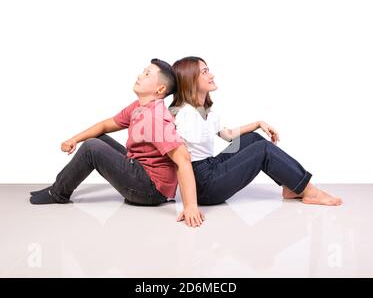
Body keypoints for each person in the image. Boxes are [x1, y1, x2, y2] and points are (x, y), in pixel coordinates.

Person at [30, 58, 205, 228]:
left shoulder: (155, 117)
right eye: (143, 71)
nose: (140, 75)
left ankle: (57, 193)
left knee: (92, 147)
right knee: (98, 138)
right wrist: (74, 139)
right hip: (141, 170)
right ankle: (58, 186)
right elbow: (106, 125)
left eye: (147, 74)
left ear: (160, 89)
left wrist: (190, 207)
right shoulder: (139, 106)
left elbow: (183, 158)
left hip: (152, 190)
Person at [169, 56, 342, 206]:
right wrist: (189, 204)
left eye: (209, 70)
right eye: (204, 72)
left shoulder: (203, 111)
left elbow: (228, 135)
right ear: (190, 79)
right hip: (202, 184)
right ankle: (308, 189)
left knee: (252, 139)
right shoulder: (184, 114)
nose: (211, 75)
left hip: (210, 166)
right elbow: (180, 159)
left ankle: (290, 187)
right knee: (263, 150)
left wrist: (258, 123)